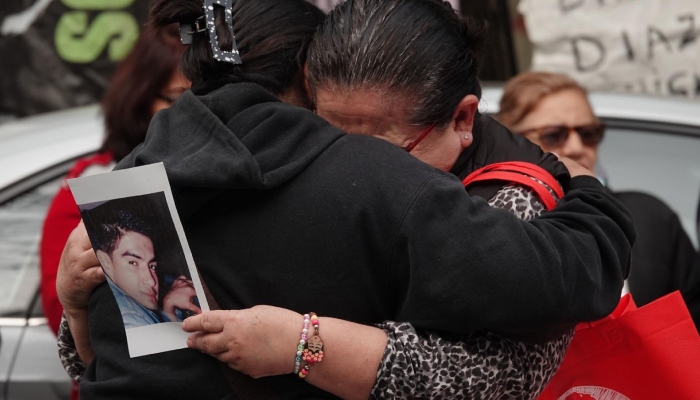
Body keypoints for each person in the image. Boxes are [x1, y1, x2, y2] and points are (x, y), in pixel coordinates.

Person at [58, 0, 635, 399]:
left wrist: (76, 307)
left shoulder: (130, 184)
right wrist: (589, 192)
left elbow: (124, 365)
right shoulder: (368, 176)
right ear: (308, 76)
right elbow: (543, 303)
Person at [497, 71, 700, 330]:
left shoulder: (649, 217)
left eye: (589, 133)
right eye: (553, 135)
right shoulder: (493, 230)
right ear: (510, 140)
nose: (575, 147)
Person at [40, 23, 189, 335]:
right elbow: (62, 312)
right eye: (179, 101)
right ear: (140, 98)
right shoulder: (96, 182)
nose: (195, 116)